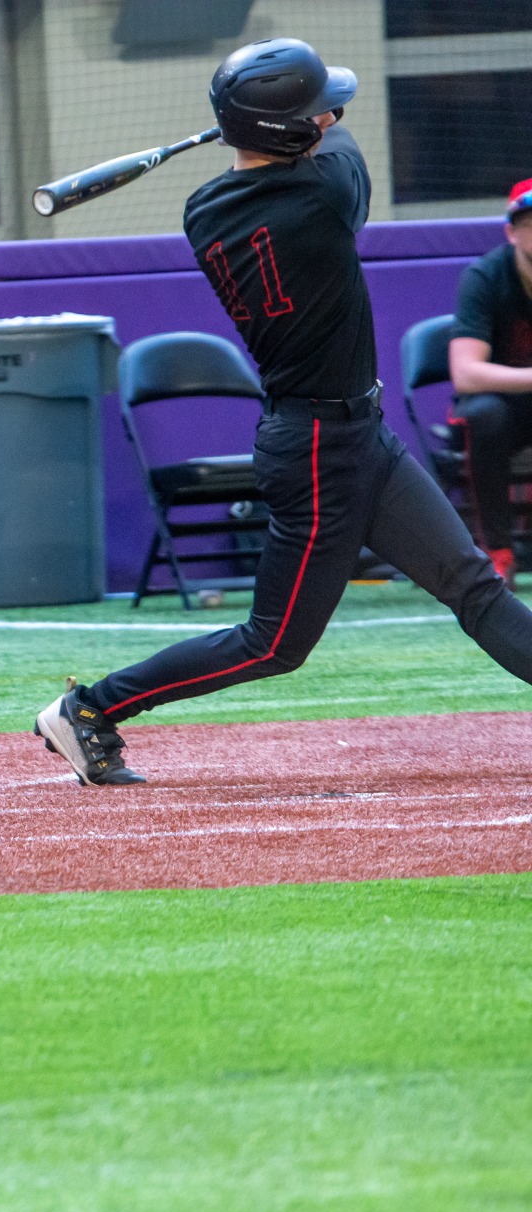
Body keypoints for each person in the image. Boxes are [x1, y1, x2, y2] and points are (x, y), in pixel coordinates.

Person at [35, 38, 532, 786]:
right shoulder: (325, 194)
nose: (330, 117)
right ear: (289, 132)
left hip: (355, 433)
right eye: (315, 111)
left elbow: (302, 147)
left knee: (473, 587)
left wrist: (275, 124)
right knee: (274, 644)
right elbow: (342, 144)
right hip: (318, 449)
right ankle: (90, 709)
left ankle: (92, 709)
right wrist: (304, 125)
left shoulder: (205, 210)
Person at [446, 179, 532, 586]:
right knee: (485, 415)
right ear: (511, 232)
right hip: (499, 407)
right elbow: (466, 373)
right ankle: (497, 552)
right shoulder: (484, 277)